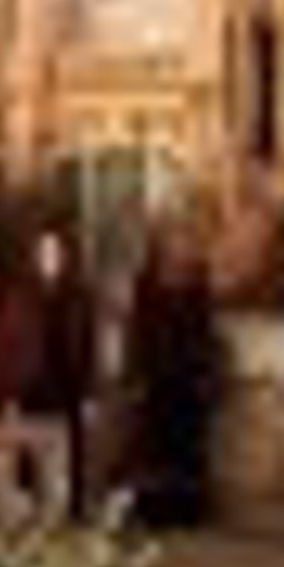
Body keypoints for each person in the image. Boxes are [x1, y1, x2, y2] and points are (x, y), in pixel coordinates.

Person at [125, 222, 221, 528]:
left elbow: (205, 329)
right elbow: (138, 330)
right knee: (155, 446)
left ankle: (188, 510)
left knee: (188, 446)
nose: (177, 246)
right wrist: (136, 373)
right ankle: (156, 509)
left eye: (182, 241)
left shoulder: (198, 281)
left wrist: (205, 371)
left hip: (189, 376)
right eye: (171, 241)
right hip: (156, 375)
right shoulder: (145, 282)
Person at [9, 223, 98, 516]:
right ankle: (34, 507)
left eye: (54, 252)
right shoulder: (22, 293)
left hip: (69, 381)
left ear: (64, 255)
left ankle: (74, 509)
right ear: (35, 256)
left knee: (73, 449)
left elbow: (88, 345)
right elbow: (12, 341)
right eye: (44, 252)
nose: (49, 258)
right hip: (33, 381)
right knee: (30, 452)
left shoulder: (79, 294)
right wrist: (12, 390)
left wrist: (90, 393)